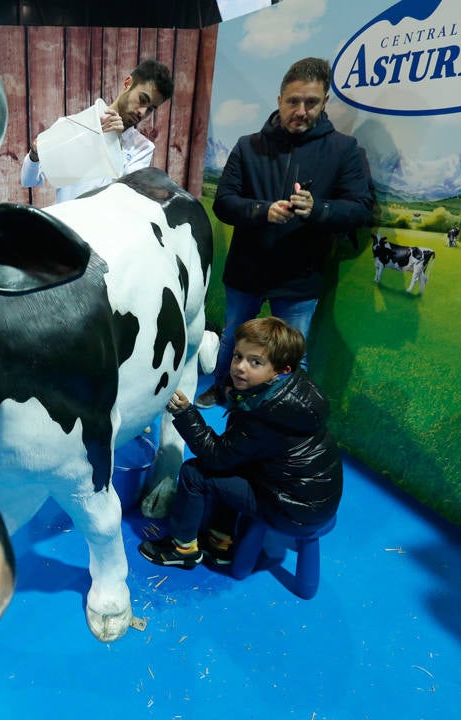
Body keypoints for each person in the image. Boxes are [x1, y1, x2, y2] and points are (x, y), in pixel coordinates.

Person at [196, 57, 373, 408]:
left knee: (294, 352)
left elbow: (360, 208)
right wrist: (262, 211)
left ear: (325, 102)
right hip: (247, 270)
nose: (301, 110)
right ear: (279, 100)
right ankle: (221, 388)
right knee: (232, 338)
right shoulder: (248, 146)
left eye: (311, 102)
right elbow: (224, 203)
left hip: (300, 279)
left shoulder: (344, 150)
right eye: (294, 101)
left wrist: (318, 209)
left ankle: (284, 412)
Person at [139, 317, 342, 568]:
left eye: (255, 362)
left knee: (194, 473)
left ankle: (183, 548)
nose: (240, 367)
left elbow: (215, 456)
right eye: (237, 356)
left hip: (293, 510)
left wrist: (185, 413)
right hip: (309, 499)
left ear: (281, 370)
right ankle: (219, 541)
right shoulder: (291, 389)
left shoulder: (266, 414)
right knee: (235, 466)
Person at [20, 59, 173, 203]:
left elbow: (126, 199)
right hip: (64, 225)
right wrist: (34, 155)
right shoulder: (72, 125)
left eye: (150, 109)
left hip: (108, 229)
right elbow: (29, 180)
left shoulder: (143, 148)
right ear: (127, 84)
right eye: (142, 99)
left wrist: (117, 142)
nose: (142, 112)